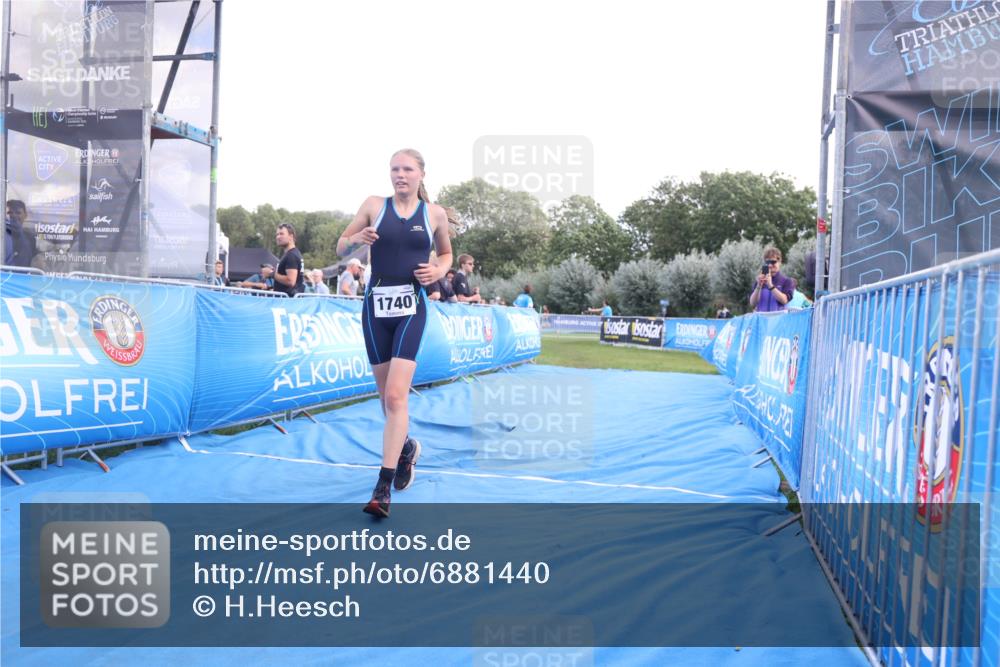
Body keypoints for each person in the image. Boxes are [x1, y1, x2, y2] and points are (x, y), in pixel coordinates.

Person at [336, 148, 454, 518]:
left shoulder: (434, 214)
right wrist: (358, 238)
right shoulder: (374, 205)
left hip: (412, 307)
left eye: (407, 169)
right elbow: (341, 245)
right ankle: (404, 450)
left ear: (421, 174)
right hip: (375, 308)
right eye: (394, 169)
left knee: (396, 396)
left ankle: (382, 486)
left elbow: (446, 255)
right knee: (386, 400)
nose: (400, 175)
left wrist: (439, 271)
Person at [749, 247, 795, 312]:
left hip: (779, 317)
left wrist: (770, 285)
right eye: (767, 262)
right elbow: (752, 303)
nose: (770, 265)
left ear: (779, 262)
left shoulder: (787, 281)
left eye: (773, 262)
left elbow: (784, 300)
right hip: (762, 317)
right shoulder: (759, 281)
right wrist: (759, 285)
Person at [272, 223, 305, 297]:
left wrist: (272, 274)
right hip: (288, 299)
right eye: (277, 234)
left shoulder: (291, 255)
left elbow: (291, 281)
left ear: (291, 236)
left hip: (287, 301)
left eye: (281, 234)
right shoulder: (292, 253)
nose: (278, 237)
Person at [5, 200, 35, 267]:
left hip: (25, 273)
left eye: (18, 213)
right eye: (9, 212)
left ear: (25, 215)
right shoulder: (2, 236)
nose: (14, 215)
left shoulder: (31, 237)